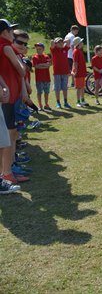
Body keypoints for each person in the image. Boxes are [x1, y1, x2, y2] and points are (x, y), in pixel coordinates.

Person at [0, 18, 29, 186]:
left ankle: (8, 169)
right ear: (4, 32)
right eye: (11, 30)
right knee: (8, 136)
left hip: (8, 96)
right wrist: (21, 63)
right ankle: (7, 172)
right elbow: (21, 70)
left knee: (9, 135)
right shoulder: (6, 47)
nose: (13, 33)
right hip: (8, 97)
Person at [50, 36, 72, 108]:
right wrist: (56, 42)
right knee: (57, 88)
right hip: (57, 72)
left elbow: (68, 41)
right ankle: (58, 102)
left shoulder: (65, 48)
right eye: (58, 43)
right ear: (56, 44)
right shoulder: (54, 50)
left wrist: (62, 42)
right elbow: (51, 42)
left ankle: (65, 102)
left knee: (65, 88)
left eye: (61, 42)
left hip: (65, 72)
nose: (61, 44)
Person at [31, 42, 52, 110]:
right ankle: (40, 105)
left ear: (43, 49)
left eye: (39, 49)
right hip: (39, 79)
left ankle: (46, 104)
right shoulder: (34, 57)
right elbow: (36, 66)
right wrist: (44, 65)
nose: (38, 50)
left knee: (46, 92)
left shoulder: (46, 56)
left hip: (47, 78)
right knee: (39, 92)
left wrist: (40, 65)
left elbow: (48, 65)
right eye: (37, 49)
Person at [71, 38, 88, 107]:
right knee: (78, 88)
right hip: (78, 73)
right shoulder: (76, 51)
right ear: (78, 44)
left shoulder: (79, 51)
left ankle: (83, 100)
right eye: (81, 42)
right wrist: (75, 71)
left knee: (82, 87)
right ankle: (78, 102)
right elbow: (75, 62)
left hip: (82, 72)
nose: (82, 43)